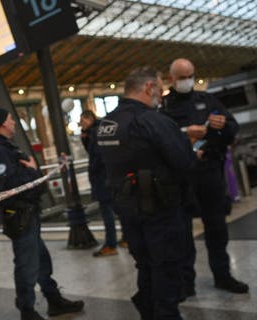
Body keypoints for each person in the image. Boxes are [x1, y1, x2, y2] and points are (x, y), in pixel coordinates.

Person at [96, 67, 195, 319]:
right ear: (149, 87)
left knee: (145, 265)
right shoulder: (152, 120)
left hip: (128, 211)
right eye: (160, 89)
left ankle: (149, 312)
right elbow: (184, 162)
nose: (161, 96)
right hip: (160, 210)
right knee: (166, 268)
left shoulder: (107, 123)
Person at [0, 108, 84, 320]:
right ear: (2, 123)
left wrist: (31, 171)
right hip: (18, 216)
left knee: (41, 261)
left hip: (27, 214)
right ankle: (27, 310)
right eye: (10, 119)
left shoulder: (4, 147)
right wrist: (33, 170)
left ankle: (53, 299)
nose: (14, 123)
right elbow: (10, 186)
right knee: (27, 265)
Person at [161, 58, 248, 295]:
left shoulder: (207, 100)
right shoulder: (164, 107)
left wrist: (222, 125)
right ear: (171, 79)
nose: (187, 81)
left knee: (217, 227)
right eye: (182, 77)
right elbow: (161, 141)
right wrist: (185, 136)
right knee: (183, 231)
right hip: (183, 177)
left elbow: (232, 128)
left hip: (210, 172)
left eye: (190, 75)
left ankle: (223, 274)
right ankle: (185, 282)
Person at [80, 110, 120, 257]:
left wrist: (93, 171)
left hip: (102, 178)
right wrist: (84, 137)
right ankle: (126, 238)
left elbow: (95, 156)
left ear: (90, 118)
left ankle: (111, 244)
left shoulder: (96, 132)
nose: (82, 124)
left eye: (83, 121)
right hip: (109, 176)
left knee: (107, 212)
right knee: (117, 208)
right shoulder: (99, 130)